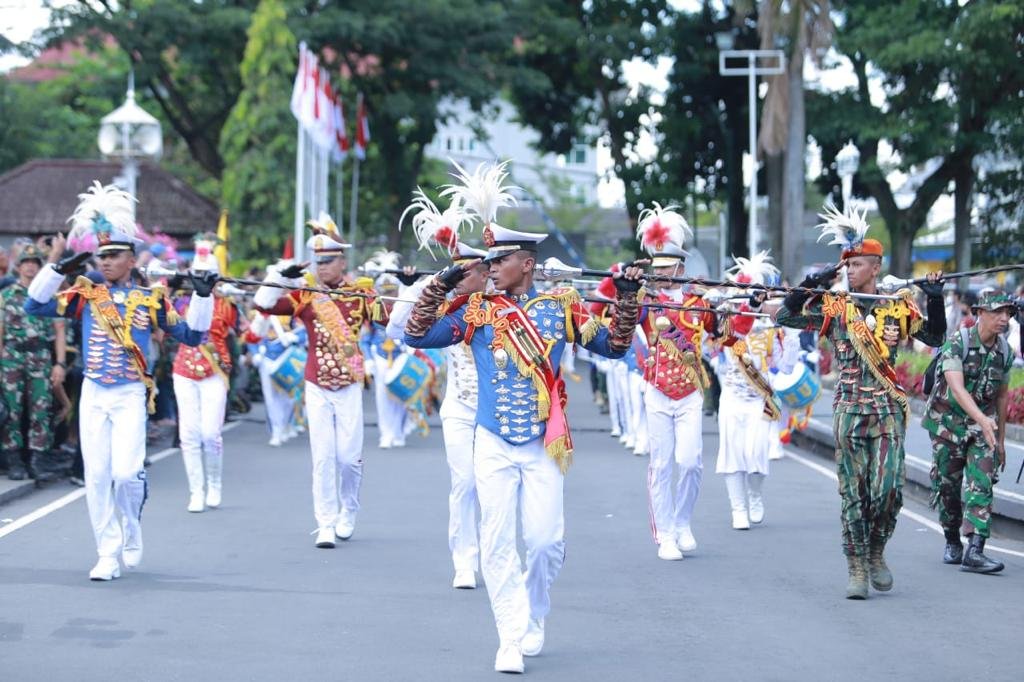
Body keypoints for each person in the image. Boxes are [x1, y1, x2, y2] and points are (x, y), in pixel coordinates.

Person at [403, 162, 643, 674]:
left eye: (499, 260)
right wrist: (440, 284)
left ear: (526, 263)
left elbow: (617, 348)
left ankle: (535, 612)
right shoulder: (477, 312)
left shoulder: (563, 306)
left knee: (545, 542)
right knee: (495, 540)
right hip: (490, 440)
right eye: (487, 260)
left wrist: (626, 297)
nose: (489, 267)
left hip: (542, 444)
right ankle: (510, 634)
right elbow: (416, 335)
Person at [25, 182, 215, 581]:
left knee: (127, 473)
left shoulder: (152, 299)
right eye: (102, 255)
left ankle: (131, 527)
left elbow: (194, 337)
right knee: (96, 475)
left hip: (130, 392)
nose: (105, 261)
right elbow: (35, 305)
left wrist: (202, 298)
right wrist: (58, 268)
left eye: (113, 256)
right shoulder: (86, 294)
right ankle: (106, 552)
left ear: (131, 259)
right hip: (94, 390)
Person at [775, 200, 945, 599]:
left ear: (875, 267)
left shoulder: (897, 305)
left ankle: (876, 551)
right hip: (850, 410)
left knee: (888, 492)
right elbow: (786, 317)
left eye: (856, 265)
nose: (849, 270)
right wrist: (812, 285)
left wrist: (934, 298)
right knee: (854, 493)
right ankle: (855, 564)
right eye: (845, 265)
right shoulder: (836, 307)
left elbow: (935, 338)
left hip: (886, 410)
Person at [254, 212, 389, 549]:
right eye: (318, 261)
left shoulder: (361, 292)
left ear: (342, 261)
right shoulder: (306, 295)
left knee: (349, 457)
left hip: (349, 382)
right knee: (323, 456)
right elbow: (263, 305)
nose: (323, 267)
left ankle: (350, 509)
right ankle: (325, 522)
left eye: (329, 261)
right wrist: (279, 278)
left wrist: (398, 288)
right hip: (316, 381)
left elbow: (387, 319)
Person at [387, 231, 490, 590]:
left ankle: (494, 555)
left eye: (470, 273)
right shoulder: (445, 308)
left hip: (497, 411)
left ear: (484, 272)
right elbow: (397, 329)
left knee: (495, 488)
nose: (463, 280)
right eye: (456, 274)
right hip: (460, 408)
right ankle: (464, 560)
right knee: (464, 483)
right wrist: (421, 286)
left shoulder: (501, 304)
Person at [634, 203, 717, 561]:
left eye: (669, 268)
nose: (664, 275)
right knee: (662, 464)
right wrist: (625, 286)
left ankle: (682, 521)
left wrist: (723, 309)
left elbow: (725, 332)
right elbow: (613, 315)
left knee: (691, 461)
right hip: (656, 389)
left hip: (689, 391)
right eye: (659, 269)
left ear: (681, 267)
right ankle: (665, 534)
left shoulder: (698, 300)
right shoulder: (645, 300)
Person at [922, 290, 1015, 574]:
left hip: (980, 429)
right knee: (947, 488)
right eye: (997, 311)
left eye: (1008, 312)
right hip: (947, 424)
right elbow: (956, 387)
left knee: (982, 483)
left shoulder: (1005, 352)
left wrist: (999, 441)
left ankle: (975, 550)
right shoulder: (957, 342)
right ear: (979, 313)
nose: (1004, 318)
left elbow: (1000, 397)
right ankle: (952, 540)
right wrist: (983, 421)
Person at [713, 251, 781, 530]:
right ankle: (737, 508)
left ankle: (754, 494)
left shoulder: (772, 322)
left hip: (758, 397)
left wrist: (790, 339)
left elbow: (784, 366)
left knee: (756, 452)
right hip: (731, 394)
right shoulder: (728, 317)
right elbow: (726, 341)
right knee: (731, 452)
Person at [171, 233, 239, 513]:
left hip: (214, 370)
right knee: (188, 433)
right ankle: (195, 491)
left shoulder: (227, 304)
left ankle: (214, 484)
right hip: (184, 370)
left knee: (211, 433)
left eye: (206, 273)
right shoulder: (178, 302)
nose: (201, 277)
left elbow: (238, 331)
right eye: (197, 273)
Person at [0, 244, 67, 481]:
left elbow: (59, 330)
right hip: (12, 357)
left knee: (41, 409)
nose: (30, 266)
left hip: (39, 356)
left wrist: (60, 363)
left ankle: (38, 460)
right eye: (26, 262)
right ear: (18, 267)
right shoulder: (6, 296)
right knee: (12, 411)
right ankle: (14, 459)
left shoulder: (47, 297)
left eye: (35, 263)